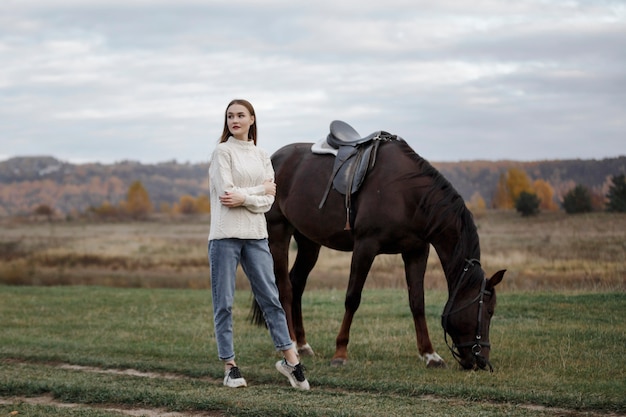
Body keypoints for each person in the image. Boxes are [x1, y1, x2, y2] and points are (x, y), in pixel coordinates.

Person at [207, 99, 309, 390]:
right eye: (230, 116)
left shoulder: (262, 155)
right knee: (224, 303)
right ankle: (230, 367)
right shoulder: (221, 152)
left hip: (256, 238)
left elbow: (269, 200)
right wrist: (257, 192)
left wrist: (248, 197)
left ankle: (291, 361)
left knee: (271, 300)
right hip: (224, 237)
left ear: (252, 119)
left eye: (240, 115)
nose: (234, 120)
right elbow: (227, 193)